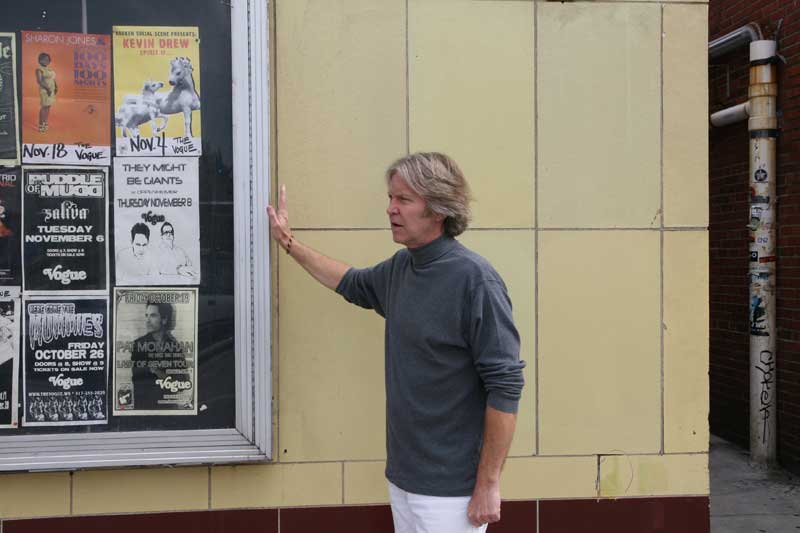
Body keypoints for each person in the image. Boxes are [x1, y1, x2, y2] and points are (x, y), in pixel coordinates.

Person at [267, 152, 525, 532]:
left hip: (451, 492)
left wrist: (488, 483)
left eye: (403, 200)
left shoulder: (475, 280)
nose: (390, 209)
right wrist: (289, 243)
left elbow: (505, 385)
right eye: (390, 198)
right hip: (404, 479)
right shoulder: (402, 268)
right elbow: (351, 283)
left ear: (438, 209)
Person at [130, 302, 189, 410]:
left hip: (168, 408)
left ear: (164, 319)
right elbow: (139, 381)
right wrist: (168, 378)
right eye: (146, 315)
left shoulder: (174, 346)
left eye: (153, 315)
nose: (147, 320)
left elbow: (183, 382)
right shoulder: (138, 344)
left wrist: (157, 372)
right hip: (144, 409)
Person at [35, 52, 57, 133]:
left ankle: (45, 122)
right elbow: (39, 81)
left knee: (48, 107)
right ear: (40, 60)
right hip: (45, 90)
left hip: (51, 90)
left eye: (48, 59)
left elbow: (53, 79)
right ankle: (41, 125)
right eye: (44, 59)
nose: (46, 61)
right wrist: (48, 89)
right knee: (44, 107)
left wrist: (56, 87)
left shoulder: (49, 69)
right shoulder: (39, 69)